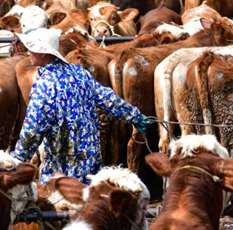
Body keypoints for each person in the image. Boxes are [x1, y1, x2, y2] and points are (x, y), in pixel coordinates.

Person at [11, 28, 152, 184]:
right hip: (91, 167)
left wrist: (16, 160)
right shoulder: (79, 73)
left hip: (62, 172)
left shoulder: (44, 86)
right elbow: (107, 98)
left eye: (31, 48)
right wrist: (134, 116)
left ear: (43, 52)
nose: (28, 52)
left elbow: (32, 130)